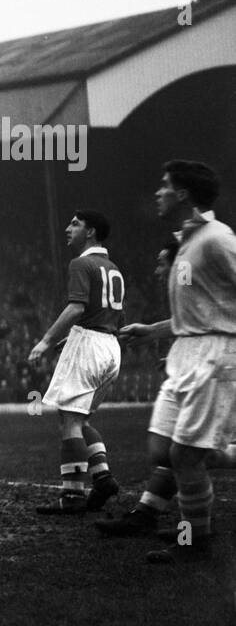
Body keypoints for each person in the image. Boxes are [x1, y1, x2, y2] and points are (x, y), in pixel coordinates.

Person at [95, 160, 236, 563]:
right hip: (186, 353)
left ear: (184, 194)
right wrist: (152, 332)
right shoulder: (186, 245)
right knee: (164, 451)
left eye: (164, 186)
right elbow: (198, 314)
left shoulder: (217, 239)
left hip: (215, 356)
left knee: (186, 457)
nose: (157, 192)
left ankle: (195, 540)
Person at [26, 211, 124, 515]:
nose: (68, 229)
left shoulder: (81, 263)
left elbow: (75, 308)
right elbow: (105, 315)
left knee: (69, 420)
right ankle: (103, 477)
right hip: (110, 346)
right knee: (81, 421)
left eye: (75, 224)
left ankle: (72, 497)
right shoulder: (113, 268)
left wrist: (44, 341)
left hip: (91, 345)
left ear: (91, 232)